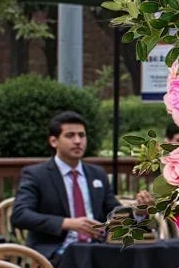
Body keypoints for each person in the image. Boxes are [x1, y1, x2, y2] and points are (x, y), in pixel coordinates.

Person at [11, 111, 114, 259]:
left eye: (82, 135)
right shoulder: (36, 175)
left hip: (97, 246)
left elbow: (113, 210)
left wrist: (138, 212)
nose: (78, 141)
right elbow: (20, 215)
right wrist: (66, 223)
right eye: (70, 136)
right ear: (54, 141)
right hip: (56, 251)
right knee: (81, 261)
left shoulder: (97, 174)